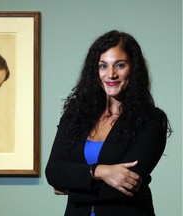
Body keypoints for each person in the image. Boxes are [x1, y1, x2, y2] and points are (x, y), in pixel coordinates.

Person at [45, 30, 171, 216]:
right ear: (95, 71)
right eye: (103, 66)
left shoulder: (151, 120)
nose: (110, 74)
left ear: (133, 69)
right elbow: (54, 171)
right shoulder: (75, 114)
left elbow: (126, 186)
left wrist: (72, 189)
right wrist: (100, 171)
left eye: (120, 65)